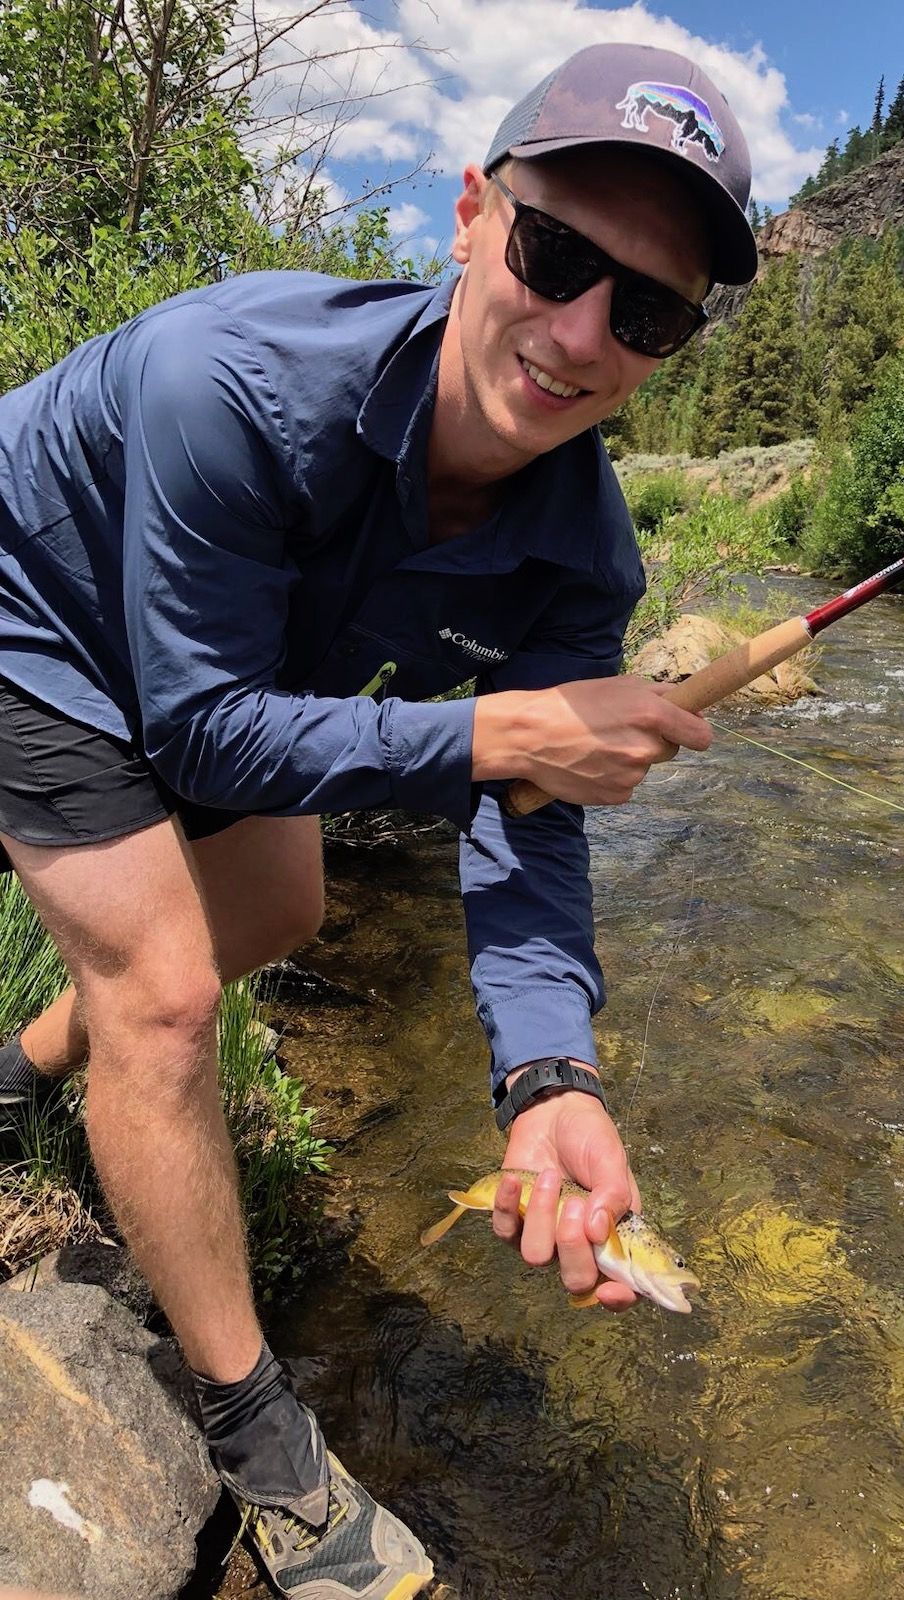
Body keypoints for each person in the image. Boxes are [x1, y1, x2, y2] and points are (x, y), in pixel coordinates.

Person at [0, 40, 757, 1600]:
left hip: (215, 662)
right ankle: (262, 1441)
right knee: (164, 989)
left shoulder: (583, 556)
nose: (580, 333)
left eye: (649, 311)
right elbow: (198, 726)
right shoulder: (233, 381)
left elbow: (529, 815)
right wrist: (498, 729)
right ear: (475, 215)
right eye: (558, 256)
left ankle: (10, 1079)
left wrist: (550, 1074)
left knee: (283, 912)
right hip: (37, 610)